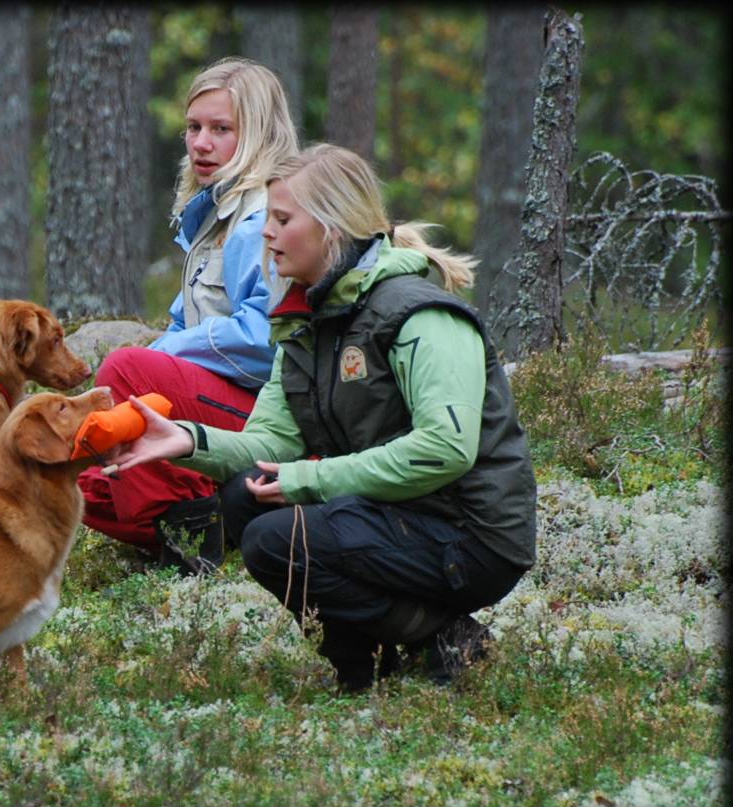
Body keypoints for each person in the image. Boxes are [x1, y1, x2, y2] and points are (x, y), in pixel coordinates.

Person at [107, 143, 537, 691]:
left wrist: (308, 480)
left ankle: (429, 641)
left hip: (471, 534)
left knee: (274, 539)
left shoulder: (419, 314)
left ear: (331, 228)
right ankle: (379, 662)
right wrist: (187, 439)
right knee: (245, 495)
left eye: (282, 219)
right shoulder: (306, 319)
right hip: (399, 514)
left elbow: (445, 449)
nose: (266, 233)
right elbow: (271, 443)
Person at [77, 57, 300, 575]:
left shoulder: (261, 219)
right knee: (86, 489)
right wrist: (165, 353)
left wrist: (154, 360)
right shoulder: (214, 217)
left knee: (127, 372)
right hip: (218, 406)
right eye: (194, 128)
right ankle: (215, 517)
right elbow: (183, 323)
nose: (201, 143)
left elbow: (264, 340)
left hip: (271, 416)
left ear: (260, 135)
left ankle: (191, 546)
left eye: (222, 130)